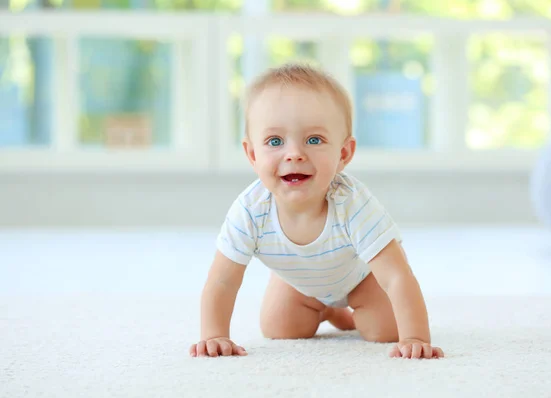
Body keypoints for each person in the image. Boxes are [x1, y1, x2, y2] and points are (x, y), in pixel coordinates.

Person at [189, 63, 444, 359]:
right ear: (252, 154)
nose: (294, 153)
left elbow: (397, 276)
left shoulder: (352, 203)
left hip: (362, 278)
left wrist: (415, 337)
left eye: (314, 140)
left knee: (385, 331)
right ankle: (324, 309)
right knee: (279, 328)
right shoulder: (250, 210)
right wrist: (214, 335)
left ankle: (349, 312)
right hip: (300, 282)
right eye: (275, 141)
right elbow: (222, 280)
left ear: (343, 154)